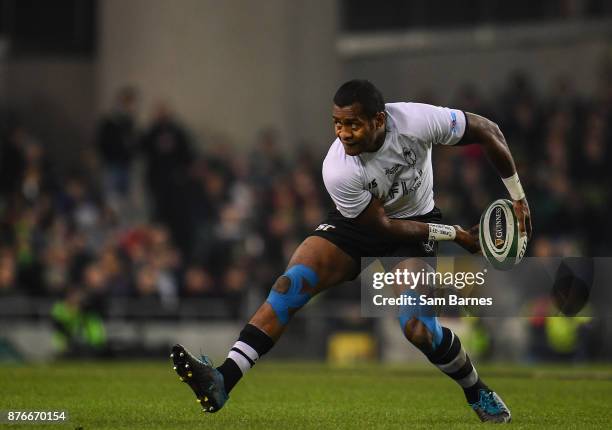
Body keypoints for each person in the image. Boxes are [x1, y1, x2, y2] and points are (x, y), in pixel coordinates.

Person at [171, 79, 532, 423]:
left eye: (352, 124)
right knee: (289, 285)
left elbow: (489, 131)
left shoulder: (417, 120)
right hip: (360, 223)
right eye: (337, 124)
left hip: (413, 227)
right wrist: (453, 233)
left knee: (419, 330)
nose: (343, 133)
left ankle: (476, 391)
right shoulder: (338, 170)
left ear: (379, 120)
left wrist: (518, 198)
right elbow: (381, 228)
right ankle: (222, 380)